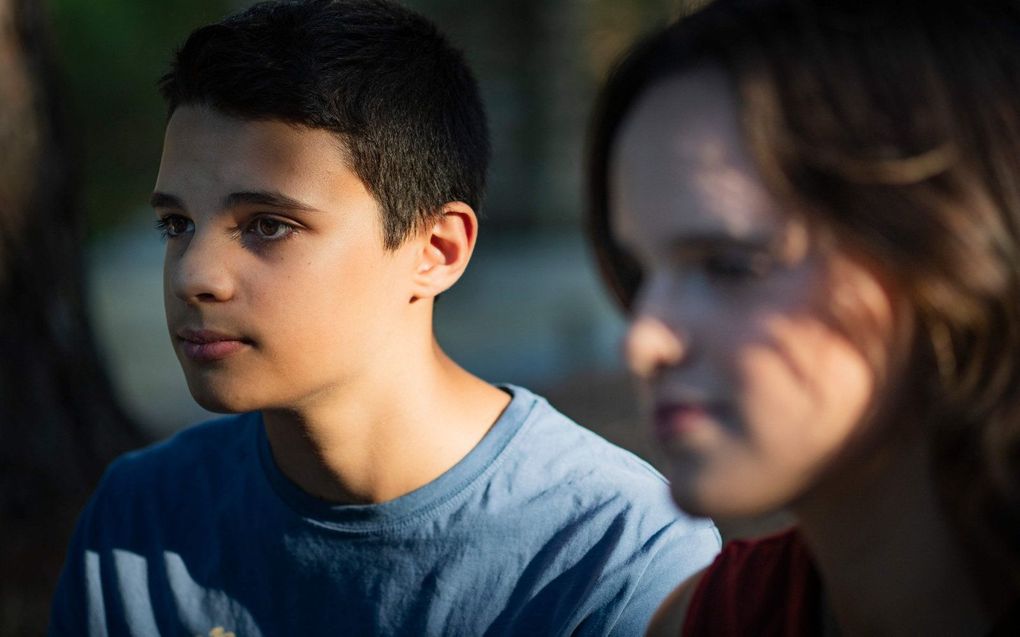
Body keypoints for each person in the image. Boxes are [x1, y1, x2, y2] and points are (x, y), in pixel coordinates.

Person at [48, 1, 720, 635]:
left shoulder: (619, 558)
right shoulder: (140, 524)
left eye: (269, 226)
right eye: (176, 223)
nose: (196, 274)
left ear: (436, 249)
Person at [586, 0, 1020, 634]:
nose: (643, 341)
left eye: (730, 265)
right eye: (640, 272)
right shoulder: (706, 619)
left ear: (950, 248)